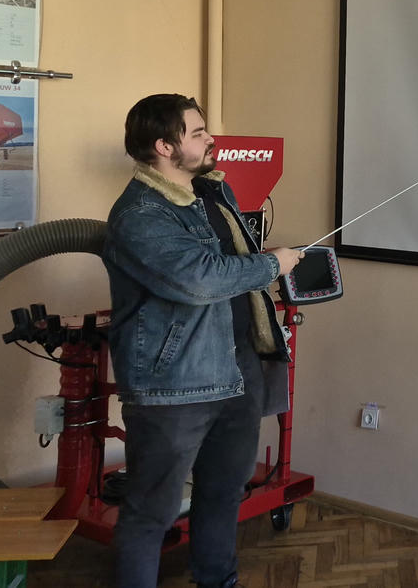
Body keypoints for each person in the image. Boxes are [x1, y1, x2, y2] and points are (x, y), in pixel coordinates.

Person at [102, 94, 302, 588]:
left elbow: (229, 267)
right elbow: (198, 280)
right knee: (151, 512)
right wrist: (272, 264)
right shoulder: (140, 213)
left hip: (238, 370)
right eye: (197, 133)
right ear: (164, 147)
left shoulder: (212, 191)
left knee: (224, 493)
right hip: (175, 386)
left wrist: (265, 265)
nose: (211, 139)